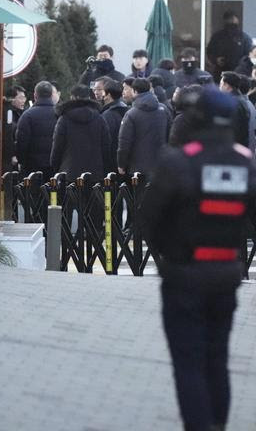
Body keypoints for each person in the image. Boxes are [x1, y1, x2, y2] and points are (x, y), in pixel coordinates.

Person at [141, 85, 256, 431]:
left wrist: (165, 262)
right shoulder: (245, 163)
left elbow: (148, 219)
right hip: (226, 273)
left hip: (184, 274)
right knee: (216, 357)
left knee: (189, 361)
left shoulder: (178, 161)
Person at [50, 84, 112, 181]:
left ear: (72, 97)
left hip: (69, 171)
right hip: (95, 172)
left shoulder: (64, 118)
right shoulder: (99, 118)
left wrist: (55, 166)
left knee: (71, 196)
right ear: (89, 97)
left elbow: (58, 146)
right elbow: (106, 146)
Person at [117, 77, 169, 178]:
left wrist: (121, 164)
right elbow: (170, 135)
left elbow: (124, 142)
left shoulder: (131, 114)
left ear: (134, 91)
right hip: (161, 166)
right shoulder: (163, 109)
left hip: (138, 168)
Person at [16, 80, 57, 180]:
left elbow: (21, 142)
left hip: (32, 167)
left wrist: (22, 162)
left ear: (35, 95)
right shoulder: (60, 114)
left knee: (33, 194)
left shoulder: (27, 116)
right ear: (52, 95)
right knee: (53, 193)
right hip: (55, 167)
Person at [207, 11, 253, 83]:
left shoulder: (244, 37)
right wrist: (216, 60)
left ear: (237, 20)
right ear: (225, 20)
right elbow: (210, 51)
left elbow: (249, 55)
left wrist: (241, 66)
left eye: (232, 19)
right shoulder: (217, 36)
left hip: (239, 73)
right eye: (229, 19)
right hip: (220, 72)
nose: (231, 21)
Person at [100, 77, 129, 171]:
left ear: (108, 94)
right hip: (127, 160)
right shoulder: (129, 111)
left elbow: (105, 141)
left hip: (111, 161)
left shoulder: (106, 115)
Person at [219, 71, 252, 150]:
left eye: (220, 84)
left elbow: (234, 130)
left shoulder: (233, 103)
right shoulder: (240, 100)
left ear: (226, 86)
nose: (219, 87)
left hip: (234, 149)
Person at [2, 85, 26, 172]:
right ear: (11, 99)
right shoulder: (6, 113)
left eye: (24, 97)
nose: (23, 100)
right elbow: (8, 135)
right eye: (20, 98)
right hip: (8, 157)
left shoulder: (22, 113)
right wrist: (12, 154)